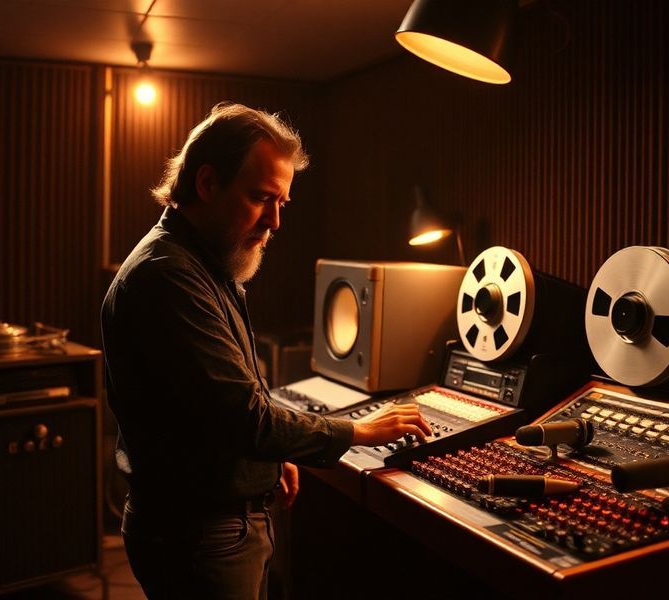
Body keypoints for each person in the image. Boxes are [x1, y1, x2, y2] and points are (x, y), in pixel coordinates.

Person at [100, 102, 431, 600]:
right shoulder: (168, 277)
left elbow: (215, 405)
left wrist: (267, 463)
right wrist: (360, 429)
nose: (275, 222)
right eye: (260, 198)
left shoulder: (200, 262)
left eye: (283, 203)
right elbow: (245, 418)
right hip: (200, 537)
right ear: (207, 184)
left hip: (206, 529)